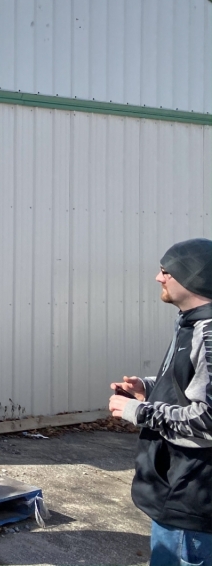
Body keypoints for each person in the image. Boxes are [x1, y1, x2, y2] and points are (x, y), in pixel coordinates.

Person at [109, 238, 212, 566]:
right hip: (176, 488)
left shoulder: (208, 335)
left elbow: (208, 421)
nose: (158, 277)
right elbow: (187, 388)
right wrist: (148, 388)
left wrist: (138, 412)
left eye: (166, 271)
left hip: (192, 496)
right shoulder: (190, 323)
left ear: (192, 277)